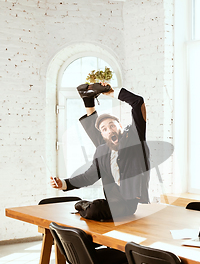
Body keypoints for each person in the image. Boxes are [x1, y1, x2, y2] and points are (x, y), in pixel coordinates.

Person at [50, 82, 150, 221]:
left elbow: (138, 102)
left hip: (128, 203)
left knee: (95, 209)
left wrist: (110, 92)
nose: (109, 130)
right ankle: (88, 99)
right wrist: (64, 183)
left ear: (120, 125)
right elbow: (88, 177)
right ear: (102, 134)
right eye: (104, 129)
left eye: (112, 125)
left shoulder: (134, 138)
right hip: (113, 201)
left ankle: (86, 206)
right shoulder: (103, 150)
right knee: (104, 148)